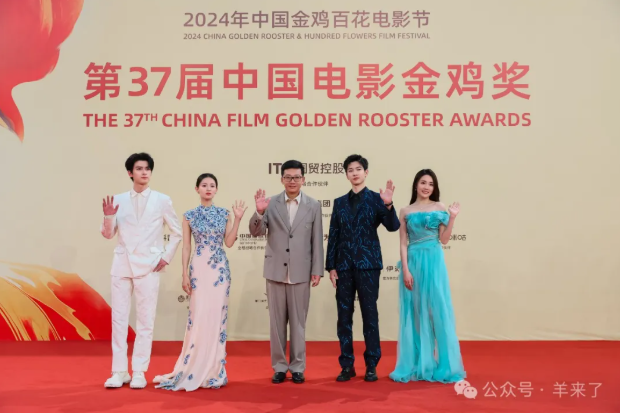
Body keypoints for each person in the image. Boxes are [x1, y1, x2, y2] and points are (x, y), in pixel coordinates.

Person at [153, 173, 246, 391]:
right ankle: (193, 365)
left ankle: (213, 369)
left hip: (219, 271)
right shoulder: (189, 216)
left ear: (216, 190)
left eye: (212, 185)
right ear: (197, 189)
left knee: (216, 317)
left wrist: (238, 219)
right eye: (204, 185)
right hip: (199, 269)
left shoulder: (224, 214)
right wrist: (184, 274)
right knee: (198, 316)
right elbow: (186, 247)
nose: (208, 188)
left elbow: (229, 242)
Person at [101, 152, 182, 389]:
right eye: (139, 168)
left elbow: (177, 232)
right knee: (118, 320)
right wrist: (108, 217)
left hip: (149, 265)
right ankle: (119, 371)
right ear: (130, 173)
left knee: (146, 320)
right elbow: (108, 234)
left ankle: (139, 371)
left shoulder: (162, 200)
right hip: (122, 265)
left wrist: (165, 257)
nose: (144, 172)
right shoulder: (118, 200)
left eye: (147, 168)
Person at [249, 160, 324, 384]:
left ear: (303, 179)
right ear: (282, 179)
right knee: (276, 324)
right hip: (275, 271)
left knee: (299, 324)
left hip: (301, 272)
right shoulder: (270, 203)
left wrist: (317, 269)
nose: (292, 181)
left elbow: (316, 240)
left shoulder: (313, 205)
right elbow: (256, 232)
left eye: (296, 177)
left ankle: (298, 367)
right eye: (288, 177)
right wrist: (259, 212)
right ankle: (280, 366)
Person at [326, 154, 400, 382]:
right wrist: (331, 266)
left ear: (366, 172)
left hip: (368, 265)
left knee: (370, 315)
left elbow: (393, 226)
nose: (355, 173)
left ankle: (371, 364)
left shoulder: (377, 199)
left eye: (358, 169)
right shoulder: (339, 202)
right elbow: (334, 235)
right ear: (346, 175)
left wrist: (388, 204)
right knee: (343, 317)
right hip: (344, 267)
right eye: (350, 170)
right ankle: (347, 365)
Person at [389, 169, 466, 383]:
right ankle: (419, 364)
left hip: (433, 261)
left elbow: (444, 239)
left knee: (435, 312)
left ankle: (444, 365)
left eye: (431, 184)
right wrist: (405, 269)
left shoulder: (439, 207)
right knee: (415, 314)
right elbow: (403, 243)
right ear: (416, 184)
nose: (426, 187)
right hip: (413, 261)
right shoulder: (405, 211)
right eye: (423, 182)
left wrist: (452, 218)